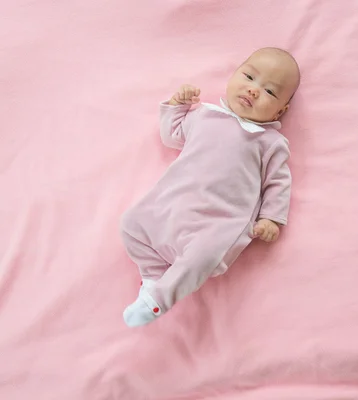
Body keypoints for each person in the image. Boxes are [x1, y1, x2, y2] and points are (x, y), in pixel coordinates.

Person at [120, 47, 300, 327]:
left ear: (281, 110)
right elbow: (172, 136)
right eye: (249, 77)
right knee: (132, 223)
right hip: (173, 204)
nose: (253, 90)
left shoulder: (269, 141)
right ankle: (154, 277)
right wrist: (177, 106)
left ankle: (159, 301)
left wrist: (271, 218)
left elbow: (278, 181)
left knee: (202, 258)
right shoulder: (204, 114)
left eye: (270, 92)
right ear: (234, 75)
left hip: (219, 222)